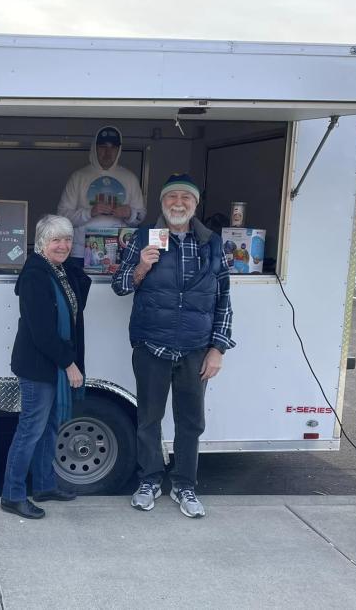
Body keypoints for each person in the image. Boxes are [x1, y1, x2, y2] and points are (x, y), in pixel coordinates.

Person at [111, 173, 234, 518]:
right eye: (171, 197)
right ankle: (149, 480)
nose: (178, 203)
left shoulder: (212, 242)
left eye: (186, 198)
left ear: (195, 204)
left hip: (196, 348)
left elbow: (224, 297)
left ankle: (185, 485)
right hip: (153, 345)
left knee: (191, 422)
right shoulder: (144, 238)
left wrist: (218, 349)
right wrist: (140, 268)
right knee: (148, 418)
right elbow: (119, 286)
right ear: (162, 203)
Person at [2, 214, 92, 519]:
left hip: (52, 364)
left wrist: (75, 271)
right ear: (42, 243)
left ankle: (43, 485)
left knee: (49, 428)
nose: (63, 245)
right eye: (56, 240)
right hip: (39, 366)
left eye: (67, 239)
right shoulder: (35, 275)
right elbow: (41, 330)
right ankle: (12, 495)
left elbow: (76, 305)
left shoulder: (60, 271)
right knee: (30, 430)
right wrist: (69, 364)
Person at [58, 126, 147, 268]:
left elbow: (140, 217)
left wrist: (130, 213)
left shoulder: (129, 178)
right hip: (82, 253)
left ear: (119, 150)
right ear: (94, 148)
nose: (108, 153)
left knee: (117, 290)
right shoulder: (78, 177)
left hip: (119, 251)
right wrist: (90, 212)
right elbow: (62, 217)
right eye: (102, 147)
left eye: (113, 148)